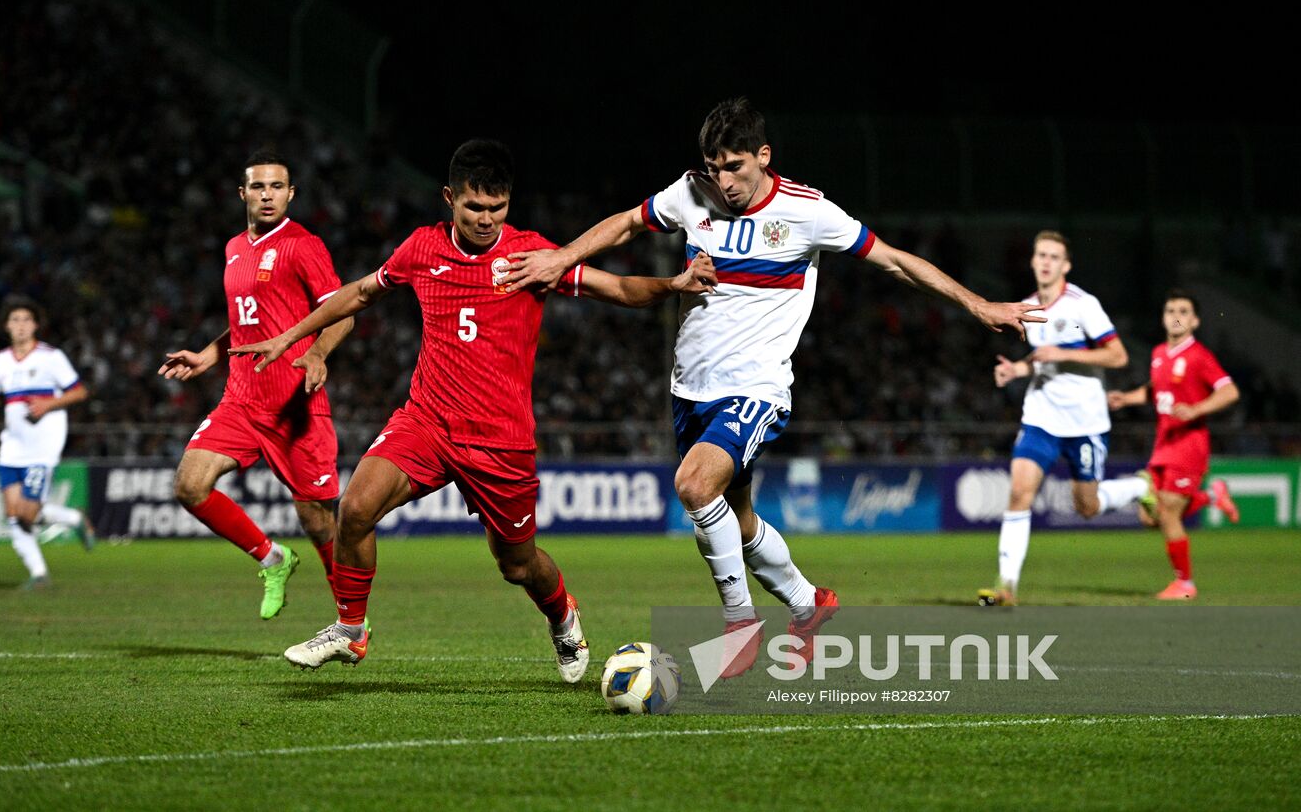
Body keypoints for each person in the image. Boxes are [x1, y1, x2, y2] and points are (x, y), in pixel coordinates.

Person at [503, 97, 1041, 674]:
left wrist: (975, 303)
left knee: (693, 485)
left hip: (756, 387)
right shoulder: (693, 192)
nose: (723, 180)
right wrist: (563, 257)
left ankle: (739, 627)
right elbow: (629, 222)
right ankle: (810, 606)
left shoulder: (808, 211)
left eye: (734, 166)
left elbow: (893, 260)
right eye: (714, 167)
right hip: (690, 390)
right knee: (736, 519)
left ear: (763, 156)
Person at [232, 139, 717, 682]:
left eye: (498, 208)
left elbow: (619, 289)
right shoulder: (421, 249)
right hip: (427, 422)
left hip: (500, 441)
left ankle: (562, 614)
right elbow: (361, 293)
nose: (487, 220)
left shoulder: (532, 257)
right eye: (474, 208)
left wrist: (673, 285)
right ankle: (350, 630)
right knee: (356, 508)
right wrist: (293, 338)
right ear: (449, 199)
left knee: (516, 565)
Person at [159, 151, 354, 620]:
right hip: (242, 400)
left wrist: (317, 353)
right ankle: (271, 558)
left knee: (317, 519)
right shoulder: (233, 249)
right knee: (189, 485)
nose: (267, 195)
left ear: (291, 194)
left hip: (295, 403)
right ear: (243, 193)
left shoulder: (303, 244)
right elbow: (247, 322)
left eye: (277, 187)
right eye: (258, 187)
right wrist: (210, 353)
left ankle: (351, 614)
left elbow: (342, 311)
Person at [979, 231, 1137, 607]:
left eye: (1054, 256)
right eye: (1041, 255)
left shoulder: (1084, 305)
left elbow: (1118, 357)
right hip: (1041, 418)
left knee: (1088, 507)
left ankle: (1139, 488)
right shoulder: (1027, 308)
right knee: (1019, 493)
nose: (1046, 261)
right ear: (1033, 262)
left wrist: (1064, 354)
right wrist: (1018, 369)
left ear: (1065, 265)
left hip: (1085, 422)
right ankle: (1006, 587)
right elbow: (1042, 359)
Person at [0, 296, 94, 589]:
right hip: (12, 447)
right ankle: (39, 575)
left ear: (36, 325)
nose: (21, 325)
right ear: (6, 327)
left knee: (28, 513)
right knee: (13, 515)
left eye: (26, 320)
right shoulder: (0, 361)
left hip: (43, 447)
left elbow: (79, 392)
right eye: (15, 320)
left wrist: (49, 404)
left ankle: (74, 518)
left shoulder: (51, 357)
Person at [1107, 290, 1240, 600]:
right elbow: (1156, 391)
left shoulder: (1199, 356)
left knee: (1166, 512)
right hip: (1164, 444)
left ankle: (1185, 585)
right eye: (1170, 310)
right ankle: (1210, 496)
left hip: (1189, 445)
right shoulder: (1157, 353)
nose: (1176, 316)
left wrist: (1196, 409)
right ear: (1163, 317)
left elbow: (1230, 392)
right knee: (1148, 518)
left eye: (1183, 311)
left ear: (1194, 321)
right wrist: (1127, 398)